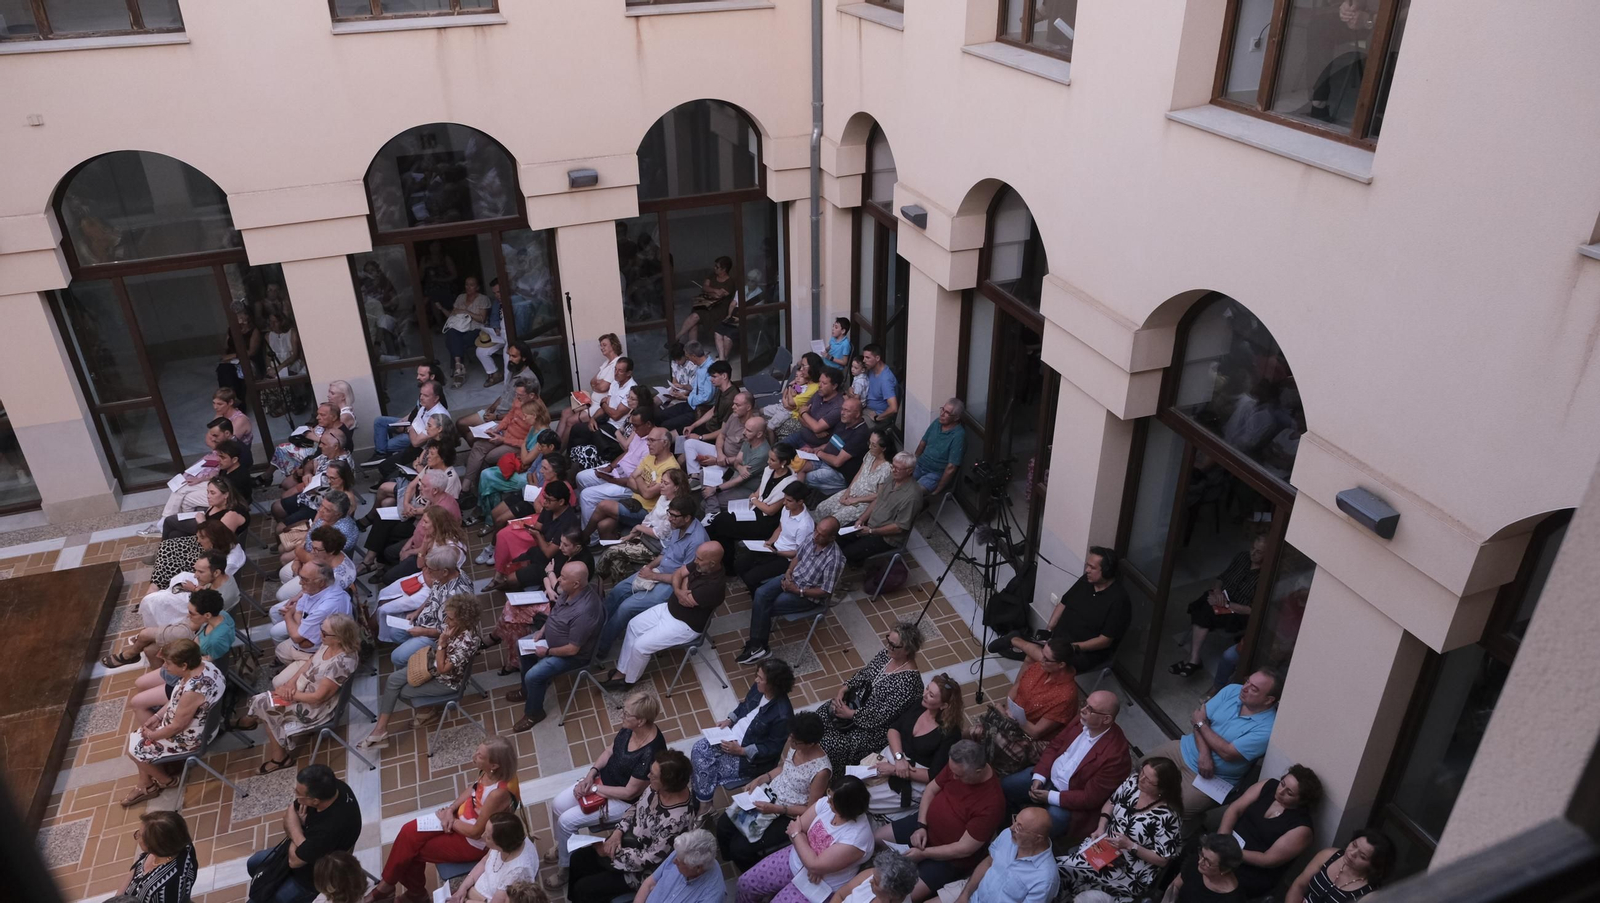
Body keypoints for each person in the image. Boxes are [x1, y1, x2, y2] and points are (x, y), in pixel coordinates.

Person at [372, 737, 522, 899]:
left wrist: (450, 820)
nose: (474, 756)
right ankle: (393, 887)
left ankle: (403, 891)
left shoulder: (498, 794)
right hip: (459, 820)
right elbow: (473, 789)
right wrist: (450, 810)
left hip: (473, 842)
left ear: (494, 765)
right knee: (408, 831)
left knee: (411, 851)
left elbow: (476, 832)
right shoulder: (491, 772)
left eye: (480, 756)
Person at [546, 688, 668, 878]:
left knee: (566, 822)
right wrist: (590, 775)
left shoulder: (651, 752)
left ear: (641, 721)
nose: (622, 716)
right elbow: (609, 751)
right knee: (558, 804)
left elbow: (629, 792)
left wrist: (595, 788)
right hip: (602, 780)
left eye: (627, 714)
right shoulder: (630, 729)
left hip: (623, 801)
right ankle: (562, 844)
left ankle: (565, 868)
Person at [874, 740, 1006, 902]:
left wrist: (924, 854)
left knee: (903, 897)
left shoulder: (992, 803)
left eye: (959, 776)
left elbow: (964, 849)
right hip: (924, 825)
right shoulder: (956, 767)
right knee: (878, 838)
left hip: (950, 859)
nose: (954, 777)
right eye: (952, 772)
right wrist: (921, 825)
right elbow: (931, 789)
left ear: (978, 771)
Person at [1146, 669, 1282, 819]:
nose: (1245, 688)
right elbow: (1197, 719)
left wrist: (1201, 724)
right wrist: (1204, 753)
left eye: (1253, 689)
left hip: (1212, 777)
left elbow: (1227, 753)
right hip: (1184, 749)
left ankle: (1190, 825)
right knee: (1140, 771)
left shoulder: (1267, 728)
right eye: (1247, 681)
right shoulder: (1232, 690)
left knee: (1169, 811)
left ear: (1269, 700)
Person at [563, 750, 702, 897]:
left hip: (639, 870)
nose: (648, 777)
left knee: (584, 889)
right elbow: (636, 808)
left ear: (667, 783)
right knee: (578, 858)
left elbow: (650, 858)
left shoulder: (677, 820)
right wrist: (618, 832)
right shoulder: (657, 788)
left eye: (653, 776)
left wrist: (611, 853)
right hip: (627, 842)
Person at [1002, 690, 1131, 840]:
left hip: (1070, 798)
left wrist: (1050, 797)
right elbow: (1055, 746)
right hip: (1048, 777)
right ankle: (1006, 829)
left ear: (1106, 719)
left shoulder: (1116, 756)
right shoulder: (1081, 719)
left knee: (1049, 823)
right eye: (1085, 703)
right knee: (1006, 786)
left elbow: (1090, 798)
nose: (1082, 710)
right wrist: (1039, 777)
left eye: (1090, 709)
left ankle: (1031, 844)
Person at [598, 540, 728, 689]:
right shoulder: (701, 564)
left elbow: (685, 600)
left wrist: (681, 584)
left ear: (712, 563)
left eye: (699, 559)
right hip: (668, 608)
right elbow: (679, 574)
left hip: (684, 625)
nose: (695, 560)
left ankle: (628, 681)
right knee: (633, 625)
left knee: (641, 647)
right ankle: (622, 671)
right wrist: (680, 590)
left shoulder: (714, 587)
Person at [362, 594, 486, 748]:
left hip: (446, 681)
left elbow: (442, 670)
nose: (447, 621)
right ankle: (380, 730)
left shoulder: (468, 642)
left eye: (451, 619)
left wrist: (441, 643)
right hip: (431, 665)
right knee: (393, 680)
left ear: (464, 620)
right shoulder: (454, 626)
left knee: (402, 692)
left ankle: (427, 711)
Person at [245, 613, 361, 775]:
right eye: (321, 629)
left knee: (262, 704)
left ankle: (279, 758)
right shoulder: (328, 643)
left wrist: (289, 695)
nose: (320, 634)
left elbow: (318, 698)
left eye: (324, 632)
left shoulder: (340, 664)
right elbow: (310, 662)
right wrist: (291, 683)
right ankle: (253, 721)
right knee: (264, 702)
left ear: (340, 638)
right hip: (302, 691)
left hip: (315, 708)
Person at [1056, 759, 1184, 903]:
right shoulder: (1132, 782)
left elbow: (1162, 860)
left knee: (1063, 868)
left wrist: (1131, 845)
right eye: (1142, 772)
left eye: (1148, 780)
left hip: (1131, 869)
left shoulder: (1169, 818)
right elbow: (1111, 802)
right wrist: (1101, 827)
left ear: (1162, 788)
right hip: (1104, 846)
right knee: (1063, 869)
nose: (1141, 779)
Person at [715, 711, 833, 868]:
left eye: (796, 741)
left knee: (740, 848)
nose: (790, 742)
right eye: (790, 737)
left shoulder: (821, 770)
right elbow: (784, 768)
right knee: (724, 824)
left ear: (811, 743)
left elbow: (811, 809)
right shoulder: (795, 746)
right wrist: (762, 778)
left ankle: (753, 874)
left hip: (787, 813)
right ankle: (726, 860)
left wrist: (778, 809)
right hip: (768, 795)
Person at [595, 495, 708, 658]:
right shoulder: (677, 527)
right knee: (618, 591)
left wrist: (653, 576)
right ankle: (597, 629)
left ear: (687, 517)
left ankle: (600, 648)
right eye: (669, 513)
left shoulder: (697, 541)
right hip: (658, 571)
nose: (669, 518)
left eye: (674, 516)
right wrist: (649, 567)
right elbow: (665, 553)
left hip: (671, 584)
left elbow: (683, 577)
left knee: (627, 607)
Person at [734, 777, 874, 903]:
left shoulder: (857, 837)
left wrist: (800, 841)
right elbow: (794, 828)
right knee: (745, 884)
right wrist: (811, 860)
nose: (828, 800)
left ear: (846, 808)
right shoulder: (827, 803)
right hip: (796, 860)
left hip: (818, 884)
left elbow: (803, 843)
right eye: (830, 795)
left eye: (833, 801)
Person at [120, 639, 224, 807]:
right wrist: (157, 717)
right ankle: (145, 783)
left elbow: (177, 726)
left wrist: (154, 735)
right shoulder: (205, 666)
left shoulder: (193, 690)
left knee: (133, 750)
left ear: (183, 665)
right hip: (203, 724)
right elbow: (176, 699)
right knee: (138, 738)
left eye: (168, 663)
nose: (165, 667)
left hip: (191, 738)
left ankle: (166, 781)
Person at [991, 547, 1130, 672]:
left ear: (1106, 571)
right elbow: (1064, 602)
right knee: (1030, 659)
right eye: (1087, 565)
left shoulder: (1118, 601)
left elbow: (1104, 641)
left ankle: (1015, 641)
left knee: (1046, 661)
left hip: (1086, 652)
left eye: (1092, 567)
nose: (1087, 570)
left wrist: (1074, 647)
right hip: (1060, 640)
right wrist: (1049, 629)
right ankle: (1014, 698)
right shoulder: (1086, 581)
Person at [817, 621, 925, 774]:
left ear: (907, 650)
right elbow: (864, 673)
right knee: (819, 717)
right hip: (857, 705)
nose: (888, 647)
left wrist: (850, 714)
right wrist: (845, 687)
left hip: (873, 728)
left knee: (830, 745)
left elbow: (882, 716)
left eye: (894, 645)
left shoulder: (909, 683)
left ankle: (828, 774)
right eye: (888, 641)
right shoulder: (886, 655)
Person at [737, 514, 846, 665]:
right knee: (760, 594)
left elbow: (825, 591)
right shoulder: (812, 538)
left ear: (832, 538)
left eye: (822, 535)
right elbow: (797, 557)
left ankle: (758, 647)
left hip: (806, 596)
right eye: (816, 531)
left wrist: (797, 591)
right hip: (791, 578)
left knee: (767, 605)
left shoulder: (834, 560)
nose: (816, 536)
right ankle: (758, 646)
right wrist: (788, 572)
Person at [246, 764, 361, 903]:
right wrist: (301, 838)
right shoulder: (333, 788)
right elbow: (290, 812)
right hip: (305, 851)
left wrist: (297, 829)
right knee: (253, 863)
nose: (296, 797)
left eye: (298, 794)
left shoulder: (328, 830)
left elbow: (294, 861)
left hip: (313, 876)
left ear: (315, 801)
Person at [968, 634, 1080, 777]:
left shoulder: (1066, 695)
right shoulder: (1043, 666)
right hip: (1016, 718)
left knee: (994, 738)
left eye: (1046, 658)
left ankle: (989, 774)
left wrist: (1009, 717)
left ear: (1061, 665)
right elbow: (1017, 687)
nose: (1041, 660)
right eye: (1042, 654)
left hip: (1034, 737)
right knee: (977, 730)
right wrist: (1008, 707)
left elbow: (1036, 732)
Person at [509, 560, 603, 730]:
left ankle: (534, 712)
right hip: (550, 641)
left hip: (571, 655)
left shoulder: (585, 612)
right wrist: (543, 630)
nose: (558, 579)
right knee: (521, 646)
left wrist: (547, 652)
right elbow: (556, 613)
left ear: (576, 583)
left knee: (533, 675)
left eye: (563, 578)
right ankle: (527, 690)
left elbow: (573, 649)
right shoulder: (569, 591)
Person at [690, 658, 797, 802]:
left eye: (760, 678)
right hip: (731, 737)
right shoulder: (759, 688)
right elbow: (744, 705)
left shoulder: (783, 714)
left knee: (707, 768)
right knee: (698, 750)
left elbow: (772, 748)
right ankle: (704, 801)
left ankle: (702, 804)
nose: (756, 680)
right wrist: (730, 720)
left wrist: (741, 751)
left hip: (748, 759)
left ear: (773, 684)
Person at [122, 589, 235, 714]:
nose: (188, 616)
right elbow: (197, 640)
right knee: (140, 683)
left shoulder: (216, 640)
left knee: (137, 701)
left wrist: (176, 657)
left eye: (192, 614)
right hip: (185, 663)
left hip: (189, 675)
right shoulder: (221, 615)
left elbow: (209, 664)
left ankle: (163, 713)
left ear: (207, 615)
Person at [1169, 537, 1267, 678]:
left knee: (1205, 609)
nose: (1253, 553)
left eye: (1259, 552)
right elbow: (1221, 578)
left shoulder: (1264, 576)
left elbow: (1253, 610)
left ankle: (1192, 659)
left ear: (1267, 555)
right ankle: (1193, 659)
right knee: (1205, 603)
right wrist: (1217, 591)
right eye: (1252, 548)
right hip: (1221, 598)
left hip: (1238, 612)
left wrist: (1225, 604)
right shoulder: (1242, 557)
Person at [865, 674, 962, 815]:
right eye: (927, 689)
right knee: (854, 783)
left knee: (865, 801)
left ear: (944, 705)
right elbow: (894, 729)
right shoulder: (920, 705)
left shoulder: (951, 733)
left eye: (931, 695)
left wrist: (894, 769)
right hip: (894, 755)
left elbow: (933, 775)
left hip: (913, 776)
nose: (925, 695)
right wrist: (899, 758)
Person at [1218, 765, 1320, 897]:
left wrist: (1231, 852)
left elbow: (1268, 860)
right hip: (1229, 842)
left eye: (1289, 793)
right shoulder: (1269, 786)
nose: (1280, 791)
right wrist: (1222, 837)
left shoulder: (1302, 828)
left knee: (1219, 883)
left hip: (1252, 868)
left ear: (1301, 801)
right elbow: (1235, 809)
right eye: (1282, 784)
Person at [489, 528, 591, 649]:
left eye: (565, 545)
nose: (560, 547)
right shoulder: (564, 553)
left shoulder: (582, 564)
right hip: (547, 593)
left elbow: (561, 590)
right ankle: (504, 648)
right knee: (510, 611)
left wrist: (551, 575)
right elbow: (546, 570)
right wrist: (549, 585)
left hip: (560, 606)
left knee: (511, 615)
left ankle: (496, 639)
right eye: (561, 543)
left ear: (577, 547)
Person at [376, 546, 474, 668]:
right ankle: (418, 655)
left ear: (444, 571)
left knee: (397, 658)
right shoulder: (444, 575)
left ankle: (425, 663)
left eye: (430, 569)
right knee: (394, 632)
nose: (427, 572)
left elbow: (453, 630)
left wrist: (424, 631)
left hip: (437, 636)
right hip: (425, 620)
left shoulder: (458, 596)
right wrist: (417, 612)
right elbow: (433, 594)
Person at [706, 444, 800, 566]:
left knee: (721, 524)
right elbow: (758, 492)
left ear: (783, 462)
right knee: (720, 522)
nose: (768, 462)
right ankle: (721, 560)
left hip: (767, 521)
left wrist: (754, 500)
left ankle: (723, 562)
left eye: (772, 460)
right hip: (755, 510)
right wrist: (755, 499)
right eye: (769, 458)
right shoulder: (769, 470)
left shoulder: (790, 483)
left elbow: (771, 510)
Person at [593, 469, 692, 585]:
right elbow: (650, 517)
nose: (661, 485)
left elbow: (661, 534)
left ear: (676, 487)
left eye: (666, 483)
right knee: (617, 560)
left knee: (611, 551)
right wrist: (634, 533)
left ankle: (595, 580)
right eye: (662, 482)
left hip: (657, 547)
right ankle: (619, 587)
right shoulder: (663, 497)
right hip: (645, 538)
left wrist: (638, 528)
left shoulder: (676, 507)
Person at [582, 426, 678, 541]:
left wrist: (638, 479)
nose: (648, 444)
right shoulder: (650, 457)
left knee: (603, 505)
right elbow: (631, 479)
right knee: (604, 525)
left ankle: (582, 538)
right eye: (648, 440)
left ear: (665, 443)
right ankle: (612, 553)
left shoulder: (670, 468)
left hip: (647, 512)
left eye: (652, 440)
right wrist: (643, 485)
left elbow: (647, 493)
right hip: (633, 502)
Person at [149, 477, 249, 588]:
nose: (208, 496)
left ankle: (163, 571)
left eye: (212, 493)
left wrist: (202, 522)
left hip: (213, 548)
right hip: (204, 539)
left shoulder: (231, 515)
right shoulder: (216, 503)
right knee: (173, 536)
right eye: (207, 492)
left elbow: (218, 541)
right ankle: (163, 571)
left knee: (170, 525)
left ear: (226, 495)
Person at [950, 807, 1058, 903]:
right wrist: (964, 896)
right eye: (1015, 820)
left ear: (1037, 838)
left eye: (1019, 827)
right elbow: (988, 862)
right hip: (972, 891)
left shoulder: (1045, 879)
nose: (1011, 828)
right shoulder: (1009, 835)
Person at [835, 452, 922, 565]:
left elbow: (899, 527)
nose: (893, 470)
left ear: (909, 471)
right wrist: (861, 519)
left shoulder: (912, 496)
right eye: (892, 466)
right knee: (837, 536)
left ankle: (854, 564)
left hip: (885, 537)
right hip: (870, 523)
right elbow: (877, 499)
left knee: (845, 555)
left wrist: (871, 531)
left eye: (898, 468)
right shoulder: (892, 478)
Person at [575, 408, 657, 526]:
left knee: (587, 495)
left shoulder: (652, 445)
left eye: (636, 425)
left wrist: (608, 478)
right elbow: (627, 452)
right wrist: (610, 467)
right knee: (581, 477)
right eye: (632, 425)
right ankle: (588, 511)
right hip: (616, 471)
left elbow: (634, 481)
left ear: (648, 424)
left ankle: (591, 538)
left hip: (628, 484)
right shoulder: (639, 433)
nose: (634, 428)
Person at [482, 479, 578, 578]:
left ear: (561, 501)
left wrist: (538, 536)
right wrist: (539, 535)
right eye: (545, 498)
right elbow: (538, 527)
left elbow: (549, 553)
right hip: (541, 546)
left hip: (552, 561)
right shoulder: (550, 507)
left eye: (549, 500)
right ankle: (499, 573)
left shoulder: (568, 522)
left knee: (512, 579)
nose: (544, 503)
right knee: (503, 534)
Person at [733, 482, 815, 592]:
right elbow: (780, 528)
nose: (784, 503)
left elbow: (799, 553)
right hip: (774, 548)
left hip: (785, 558)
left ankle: (760, 595)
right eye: (784, 499)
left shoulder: (805, 525)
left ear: (800, 502)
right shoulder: (787, 509)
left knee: (751, 577)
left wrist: (777, 553)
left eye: (789, 501)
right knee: (740, 564)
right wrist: (769, 542)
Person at [134, 547, 237, 634]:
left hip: (195, 627)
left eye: (201, 572)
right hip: (197, 612)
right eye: (195, 570)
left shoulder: (220, 598)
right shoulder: (222, 579)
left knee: (154, 605)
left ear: (216, 573)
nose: (196, 575)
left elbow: (197, 625)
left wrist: (163, 634)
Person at [270, 560, 353, 665]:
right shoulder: (314, 589)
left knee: (278, 681)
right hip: (309, 639)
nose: (300, 582)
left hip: (323, 650)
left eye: (304, 579)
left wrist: (287, 616)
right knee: (276, 619)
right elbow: (299, 610)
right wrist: (299, 627)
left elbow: (298, 638)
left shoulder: (325, 607)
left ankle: (301, 667)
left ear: (321, 582)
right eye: (300, 578)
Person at [449, 812, 541, 903]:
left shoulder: (516, 873)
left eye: (488, 837)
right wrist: (463, 888)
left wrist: (467, 900)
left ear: (501, 844)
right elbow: (484, 861)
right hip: (475, 891)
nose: (482, 835)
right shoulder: (508, 842)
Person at [1284, 830, 1396, 903]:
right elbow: (1299, 885)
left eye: (1362, 856)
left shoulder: (1368, 895)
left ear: (1373, 866)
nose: (1352, 853)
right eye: (1354, 845)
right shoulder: (1329, 855)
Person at [813, 425, 893, 526]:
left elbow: (879, 495)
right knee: (823, 507)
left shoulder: (887, 469)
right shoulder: (870, 455)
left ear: (883, 448)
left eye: (874, 445)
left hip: (863, 502)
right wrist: (847, 491)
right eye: (869, 443)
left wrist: (855, 500)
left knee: (835, 520)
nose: (869, 447)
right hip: (852, 492)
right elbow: (859, 474)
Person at [114, 810, 199, 903]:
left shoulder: (163, 889)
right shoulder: (180, 845)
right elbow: (136, 869)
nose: (137, 836)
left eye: (141, 835)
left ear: (155, 845)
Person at [799, 396, 874, 498]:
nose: (842, 412)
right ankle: (797, 498)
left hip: (839, 473)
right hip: (825, 461)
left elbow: (837, 462)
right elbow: (832, 443)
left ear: (857, 414)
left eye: (846, 410)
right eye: (842, 409)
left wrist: (818, 453)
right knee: (799, 468)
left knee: (807, 478)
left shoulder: (859, 434)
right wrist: (813, 450)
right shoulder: (843, 422)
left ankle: (802, 499)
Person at [369, 364, 447, 460]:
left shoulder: (437, 403)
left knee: (383, 445)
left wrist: (408, 429)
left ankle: (382, 454)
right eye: (418, 374)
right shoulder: (424, 392)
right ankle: (381, 453)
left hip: (415, 433)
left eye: (422, 375)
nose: (417, 377)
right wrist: (403, 421)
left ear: (432, 377)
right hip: (410, 424)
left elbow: (425, 432)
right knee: (379, 421)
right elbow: (416, 410)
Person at [701, 414, 772, 516]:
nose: (744, 432)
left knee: (704, 503)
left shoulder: (762, 454)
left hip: (746, 488)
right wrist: (740, 467)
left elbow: (739, 480)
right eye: (745, 429)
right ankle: (713, 508)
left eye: (748, 430)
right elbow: (736, 461)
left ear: (759, 434)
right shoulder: (748, 439)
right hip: (734, 475)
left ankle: (712, 513)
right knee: (703, 473)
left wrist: (714, 489)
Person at [682, 387, 752, 486]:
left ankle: (700, 476)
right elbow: (721, 435)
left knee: (705, 476)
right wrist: (719, 453)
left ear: (748, 407)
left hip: (730, 464)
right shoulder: (734, 416)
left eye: (737, 405)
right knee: (689, 443)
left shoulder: (752, 427)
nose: (733, 407)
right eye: (733, 404)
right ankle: (694, 476)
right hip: (720, 454)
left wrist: (716, 461)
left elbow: (745, 457)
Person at [634, 830, 724, 903]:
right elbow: (649, 883)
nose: (674, 861)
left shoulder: (711, 896)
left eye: (679, 862)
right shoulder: (682, 853)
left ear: (698, 868)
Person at [278, 526, 355, 605]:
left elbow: (318, 597)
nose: (311, 552)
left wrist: (298, 598)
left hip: (322, 599)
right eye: (312, 547)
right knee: (284, 574)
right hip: (316, 585)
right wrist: (297, 560)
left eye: (316, 549)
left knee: (280, 596)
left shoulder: (334, 577)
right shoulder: (333, 553)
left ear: (331, 551)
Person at [1160, 835, 1246, 903]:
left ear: (1225, 869)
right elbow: (1175, 886)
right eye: (1202, 854)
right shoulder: (1196, 862)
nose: (1200, 862)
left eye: (1208, 862)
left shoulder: (1232, 899)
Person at [442, 275, 493, 388]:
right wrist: (442, 309)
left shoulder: (483, 299)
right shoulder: (461, 297)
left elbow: (482, 319)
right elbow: (453, 314)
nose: (468, 287)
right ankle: (459, 366)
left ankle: (457, 368)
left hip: (475, 329)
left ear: (477, 287)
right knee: (451, 333)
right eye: (466, 284)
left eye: (472, 285)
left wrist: (466, 311)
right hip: (459, 327)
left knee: (453, 342)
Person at [657, 342, 716, 432]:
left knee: (666, 425)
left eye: (688, 357)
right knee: (661, 415)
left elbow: (706, 397)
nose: (689, 360)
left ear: (693, 356)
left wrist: (685, 397)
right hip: (690, 404)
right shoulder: (700, 367)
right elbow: (694, 386)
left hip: (699, 409)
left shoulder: (710, 370)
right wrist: (682, 386)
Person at [677, 256, 737, 345]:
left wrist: (709, 291)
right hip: (705, 305)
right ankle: (692, 348)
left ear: (724, 269)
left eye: (717, 267)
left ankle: (677, 337)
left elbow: (718, 297)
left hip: (717, 309)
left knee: (695, 317)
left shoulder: (730, 282)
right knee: (694, 323)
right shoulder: (712, 275)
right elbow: (704, 287)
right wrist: (715, 290)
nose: (714, 268)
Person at [765, 353, 825, 439]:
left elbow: (790, 403)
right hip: (788, 409)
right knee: (762, 415)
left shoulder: (814, 388)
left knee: (769, 426)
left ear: (812, 367)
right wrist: (788, 392)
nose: (801, 369)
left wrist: (788, 390)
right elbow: (788, 396)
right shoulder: (806, 380)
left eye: (804, 366)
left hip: (795, 417)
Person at [913, 399, 966, 494]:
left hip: (935, 473)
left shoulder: (958, 435)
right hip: (920, 464)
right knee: (896, 480)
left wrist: (939, 489)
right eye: (942, 409)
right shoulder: (937, 422)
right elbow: (923, 443)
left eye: (947, 413)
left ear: (956, 418)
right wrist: (913, 461)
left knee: (913, 493)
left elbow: (951, 467)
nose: (942, 414)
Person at [830, 850, 921, 903]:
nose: (870, 881)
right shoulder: (873, 874)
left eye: (875, 882)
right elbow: (840, 895)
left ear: (892, 893)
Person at [676, 359, 735, 440]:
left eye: (714, 376)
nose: (711, 379)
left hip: (713, 435)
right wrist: (693, 426)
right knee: (678, 433)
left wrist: (700, 437)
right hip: (708, 427)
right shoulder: (721, 389)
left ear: (724, 376)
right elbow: (713, 410)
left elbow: (724, 430)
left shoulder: (731, 400)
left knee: (683, 440)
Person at [859, 344, 899, 424]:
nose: (864, 360)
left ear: (877, 358)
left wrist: (877, 418)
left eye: (867, 358)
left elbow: (893, 408)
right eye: (864, 357)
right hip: (865, 407)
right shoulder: (871, 369)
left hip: (876, 414)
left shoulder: (885, 380)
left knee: (853, 425)